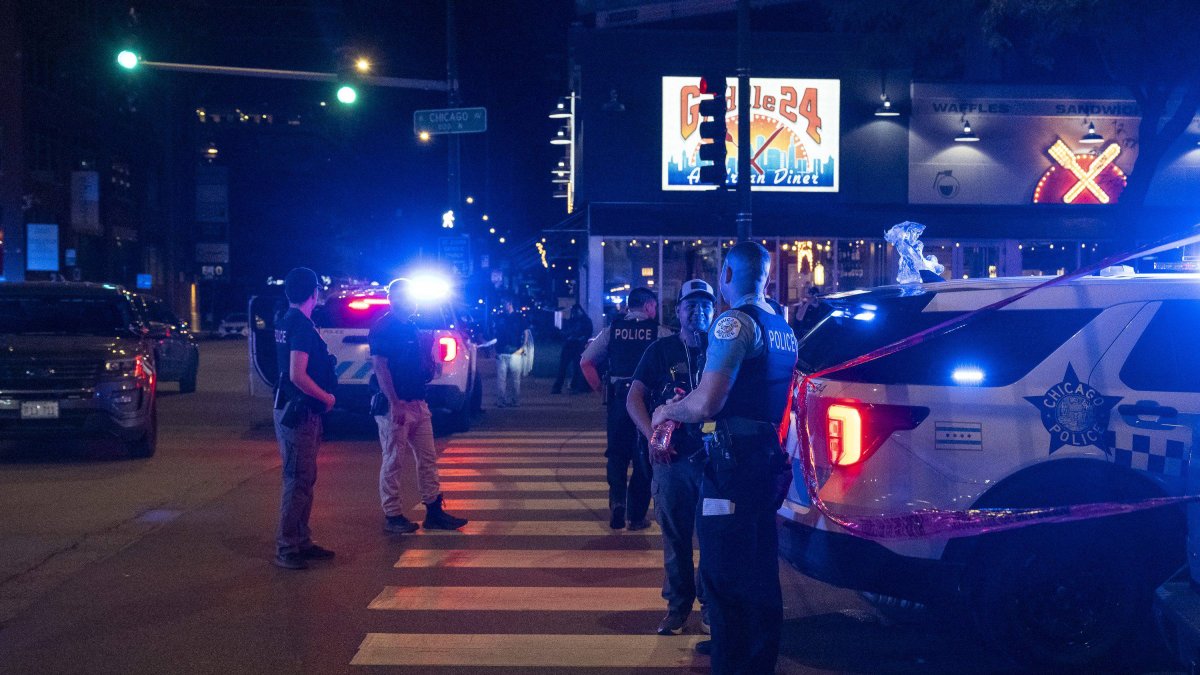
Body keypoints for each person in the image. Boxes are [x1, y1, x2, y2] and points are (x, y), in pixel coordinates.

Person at [652, 242, 798, 673]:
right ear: (766, 276)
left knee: (723, 572)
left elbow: (708, 403)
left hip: (731, 463)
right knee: (758, 566)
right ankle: (757, 656)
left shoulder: (734, 323)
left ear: (728, 276)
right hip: (765, 457)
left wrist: (666, 411)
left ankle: (733, 661)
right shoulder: (781, 325)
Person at [626, 279, 715, 637]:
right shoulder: (660, 350)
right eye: (690, 305)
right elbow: (633, 398)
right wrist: (652, 436)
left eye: (706, 305)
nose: (699, 311)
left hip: (712, 461)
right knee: (675, 537)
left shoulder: (722, 349)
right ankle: (677, 607)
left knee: (712, 537)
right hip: (671, 461)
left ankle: (710, 607)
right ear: (677, 311)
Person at [369, 278, 469, 534]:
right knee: (393, 461)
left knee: (428, 459)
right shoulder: (383, 328)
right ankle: (392, 515)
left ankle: (434, 511)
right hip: (397, 405)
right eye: (406, 296)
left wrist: (429, 362)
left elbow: (423, 368)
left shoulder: (412, 327)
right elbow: (380, 368)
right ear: (394, 299)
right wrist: (394, 404)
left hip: (418, 403)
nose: (412, 301)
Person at [580, 287, 673, 530]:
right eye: (654, 306)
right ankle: (636, 514)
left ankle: (617, 502)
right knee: (644, 454)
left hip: (619, 400)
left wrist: (600, 389)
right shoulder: (659, 333)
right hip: (648, 404)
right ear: (648, 306)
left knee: (617, 454)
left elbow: (586, 362)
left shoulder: (611, 331)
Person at [271, 267, 338, 570]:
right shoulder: (300, 326)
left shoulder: (286, 321)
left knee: (303, 478)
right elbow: (298, 374)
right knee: (297, 479)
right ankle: (288, 547)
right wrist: (326, 398)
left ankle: (301, 540)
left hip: (291, 408)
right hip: (300, 411)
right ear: (314, 293)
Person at [494, 298, 530, 407]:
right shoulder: (500, 317)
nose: (502, 306)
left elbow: (526, 333)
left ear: (510, 304)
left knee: (515, 379)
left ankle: (514, 399)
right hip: (502, 351)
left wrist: (523, 347)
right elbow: (495, 333)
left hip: (515, 351)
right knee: (502, 379)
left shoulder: (519, 317)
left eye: (504, 303)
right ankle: (502, 400)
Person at [553, 304, 593, 394]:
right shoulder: (576, 321)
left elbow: (587, 334)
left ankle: (575, 386)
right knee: (564, 368)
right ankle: (562, 387)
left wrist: (578, 339)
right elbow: (565, 332)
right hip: (570, 346)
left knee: (576, 368)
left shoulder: (584, 321)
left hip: (577, 346)